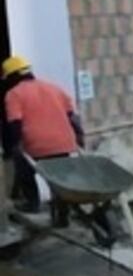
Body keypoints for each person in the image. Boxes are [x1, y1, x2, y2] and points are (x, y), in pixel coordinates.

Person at [2, 55, 84, 214]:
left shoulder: (14, 94)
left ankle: (32, 203)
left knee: (23, 168)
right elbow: (72, 116)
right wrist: (79, 136)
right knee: (60, 179)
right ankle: (62, 213)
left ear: (12, 76)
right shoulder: (53, 88)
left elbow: (15, 124)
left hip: (36, 146)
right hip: (64, 143)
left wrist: (15, 145)